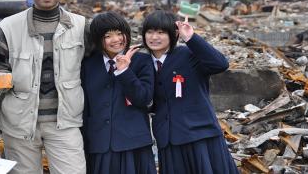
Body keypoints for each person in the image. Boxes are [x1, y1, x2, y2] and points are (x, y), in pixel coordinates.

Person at [0, 0, 87, 174]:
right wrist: (1, 77)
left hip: (65, 121)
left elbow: (94, 67)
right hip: (19, 122)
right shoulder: (9, 27)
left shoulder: (80, 26)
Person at [142, 10, 238, 174]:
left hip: (199, 134)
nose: (154, 37)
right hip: (168, 139)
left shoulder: (188, 54)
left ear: (174, 34)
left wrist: (191, 39)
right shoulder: (143, 62)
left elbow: (220, 64)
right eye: (149, 32)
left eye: (161, 32)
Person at [81, 11, 156, 174]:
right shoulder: (88, 64)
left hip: (133, 144)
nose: (116, 40)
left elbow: (143, 98)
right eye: (108, 36)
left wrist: (124, 72)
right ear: (98, 39)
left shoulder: (142, 61)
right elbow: (85, 106)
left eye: (119, 33)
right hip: (100, 145)